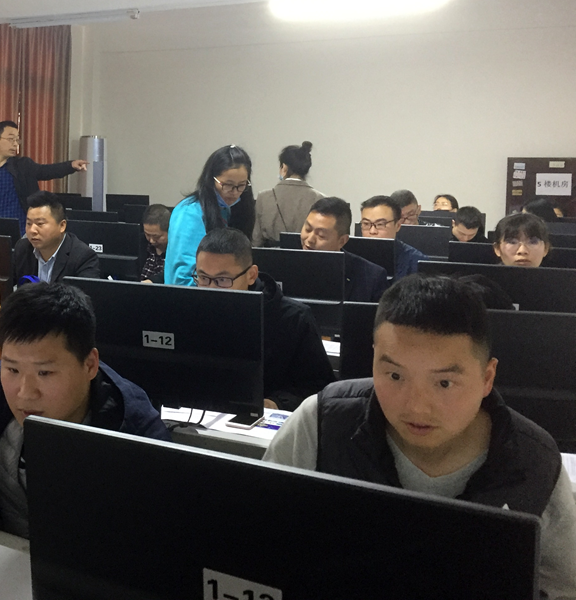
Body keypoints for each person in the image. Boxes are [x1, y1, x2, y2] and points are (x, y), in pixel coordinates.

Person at [262, 274, 576, 599]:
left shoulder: (535, 461)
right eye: (395, 375)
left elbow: (561, 589)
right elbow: (259, 542)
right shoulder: (322, 422)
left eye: (444, 383)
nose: (416, 407)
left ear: (487, 377)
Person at [0, 282, 170, 536]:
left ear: (90, 365)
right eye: (12, 369)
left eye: (44, 373)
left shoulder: (136, 433)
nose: (25, 393)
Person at [194, 228, 335, 411]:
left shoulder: (294, 319)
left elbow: (319, 388)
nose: (211, 289)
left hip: (268, 418)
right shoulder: (191, 312)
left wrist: (276, 403)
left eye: (222, 280)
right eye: (203, 278)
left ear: (251, 275)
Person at [0, 120, 88, 235]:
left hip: (21, 230)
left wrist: (71, 165)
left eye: (17, 140)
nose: (15, 144)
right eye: (11, 139)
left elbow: (47, 171)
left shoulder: (23, 165)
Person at [165, 145, 256, 285]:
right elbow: (183, 279)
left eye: (241, 185)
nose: (234, 192)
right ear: (211, 179)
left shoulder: (228, 209)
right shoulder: (189, 213)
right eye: (227, 185)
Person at [300, 197, 388, 302]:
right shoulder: (286, 263)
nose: (310, 239)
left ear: (342, 241)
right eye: (307, 229)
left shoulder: (371, 278)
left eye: (321, 235)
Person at [12, 191, 101, 284]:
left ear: (62, 226)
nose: (32, 230)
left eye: (40, 223)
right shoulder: (22, 249)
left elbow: (86, 293)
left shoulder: (83, 257)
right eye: (29, 223)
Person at [253, 141, 323, 246]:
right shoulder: (319, 199)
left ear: (284, 168)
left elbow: (256, 239)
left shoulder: (264, 197)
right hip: (306, 253)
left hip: (269, 254)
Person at [360, 195, 427, 280]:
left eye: (380, 224)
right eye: (366, 224)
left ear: (398, 225)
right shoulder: (350, 258)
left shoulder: (416, 261)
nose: (372, 231)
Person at [140, 204, 170, 283]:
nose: (151, 241)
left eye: (156, 236)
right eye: (147, 235)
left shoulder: (176, 251)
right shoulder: (142, 244)